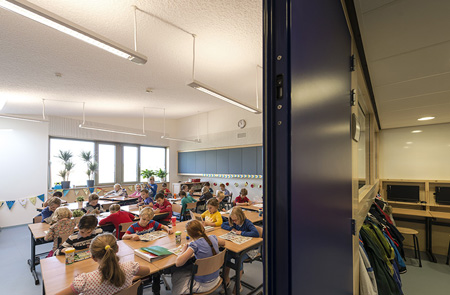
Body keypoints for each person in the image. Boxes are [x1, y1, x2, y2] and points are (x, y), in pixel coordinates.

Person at [55, 233, 151, 295]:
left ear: (93, 257)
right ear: (117, 249)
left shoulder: (84, 281)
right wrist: (127, 275)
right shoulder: (131, 267)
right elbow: (147, 271)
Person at [122, 207, 172, 295]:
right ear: (140, 216)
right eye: (144, 219)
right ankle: (141, 285)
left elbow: (162, 226)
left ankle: (156, 290)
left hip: (152, 249)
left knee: (157, 268)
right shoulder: (134, 226)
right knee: (145, 270)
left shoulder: (152, 223)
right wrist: (132, 236)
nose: (145, 222)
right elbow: (124, 237)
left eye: (148, 220)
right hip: (139, 252)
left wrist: (168, 229)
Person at [171, 220, 226, 294]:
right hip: (216, 279)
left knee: (177, 274)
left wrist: (183, 251)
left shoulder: (194, 245)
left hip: (202, 285)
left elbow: (178, 263)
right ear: (203, 229)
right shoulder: (213, 237)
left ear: (189, 235)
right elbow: (223, 242)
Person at [221, 207, 260, 292]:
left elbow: (256, 233)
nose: (234, 222)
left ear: (241, 217)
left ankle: (238, 285)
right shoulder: (234, 222)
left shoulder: (247, 223)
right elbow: (223, 225)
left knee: (238, 259)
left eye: (235, 220)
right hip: (239, 247)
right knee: (226, 256)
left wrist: (242, 233)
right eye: (232, 220)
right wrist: (232, 228)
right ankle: (226, 280)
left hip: (251, 249)